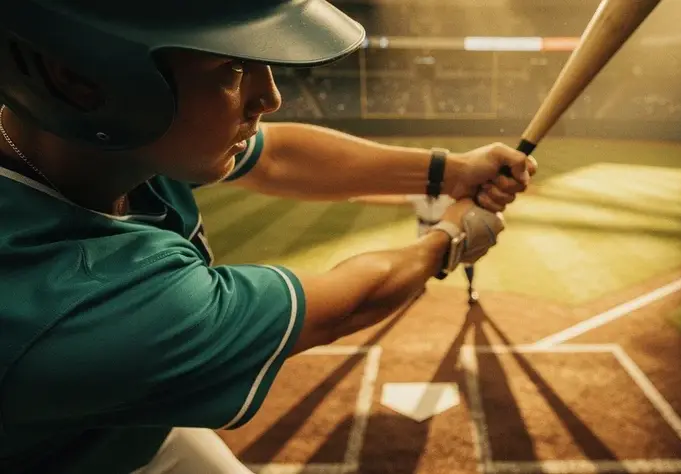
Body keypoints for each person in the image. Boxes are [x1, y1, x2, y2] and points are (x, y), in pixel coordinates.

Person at [0, 1, 536, 473]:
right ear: (78, 76)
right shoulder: (71, 304)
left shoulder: (104, 140)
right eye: (231, 68)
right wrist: (451, 237)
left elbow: (277, 158)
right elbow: (344, 306)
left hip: (119, 429)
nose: (271, 97)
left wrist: (450, 171)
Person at [350, 194, 479, 303]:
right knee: (421, 260)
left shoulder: (448, 196)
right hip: (424, 230)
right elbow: (395, 200)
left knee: (465, 260)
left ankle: (471, 288)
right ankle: (420, 288)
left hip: (446, 229)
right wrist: (361, 198)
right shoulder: (419, 195)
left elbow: (468, 203)